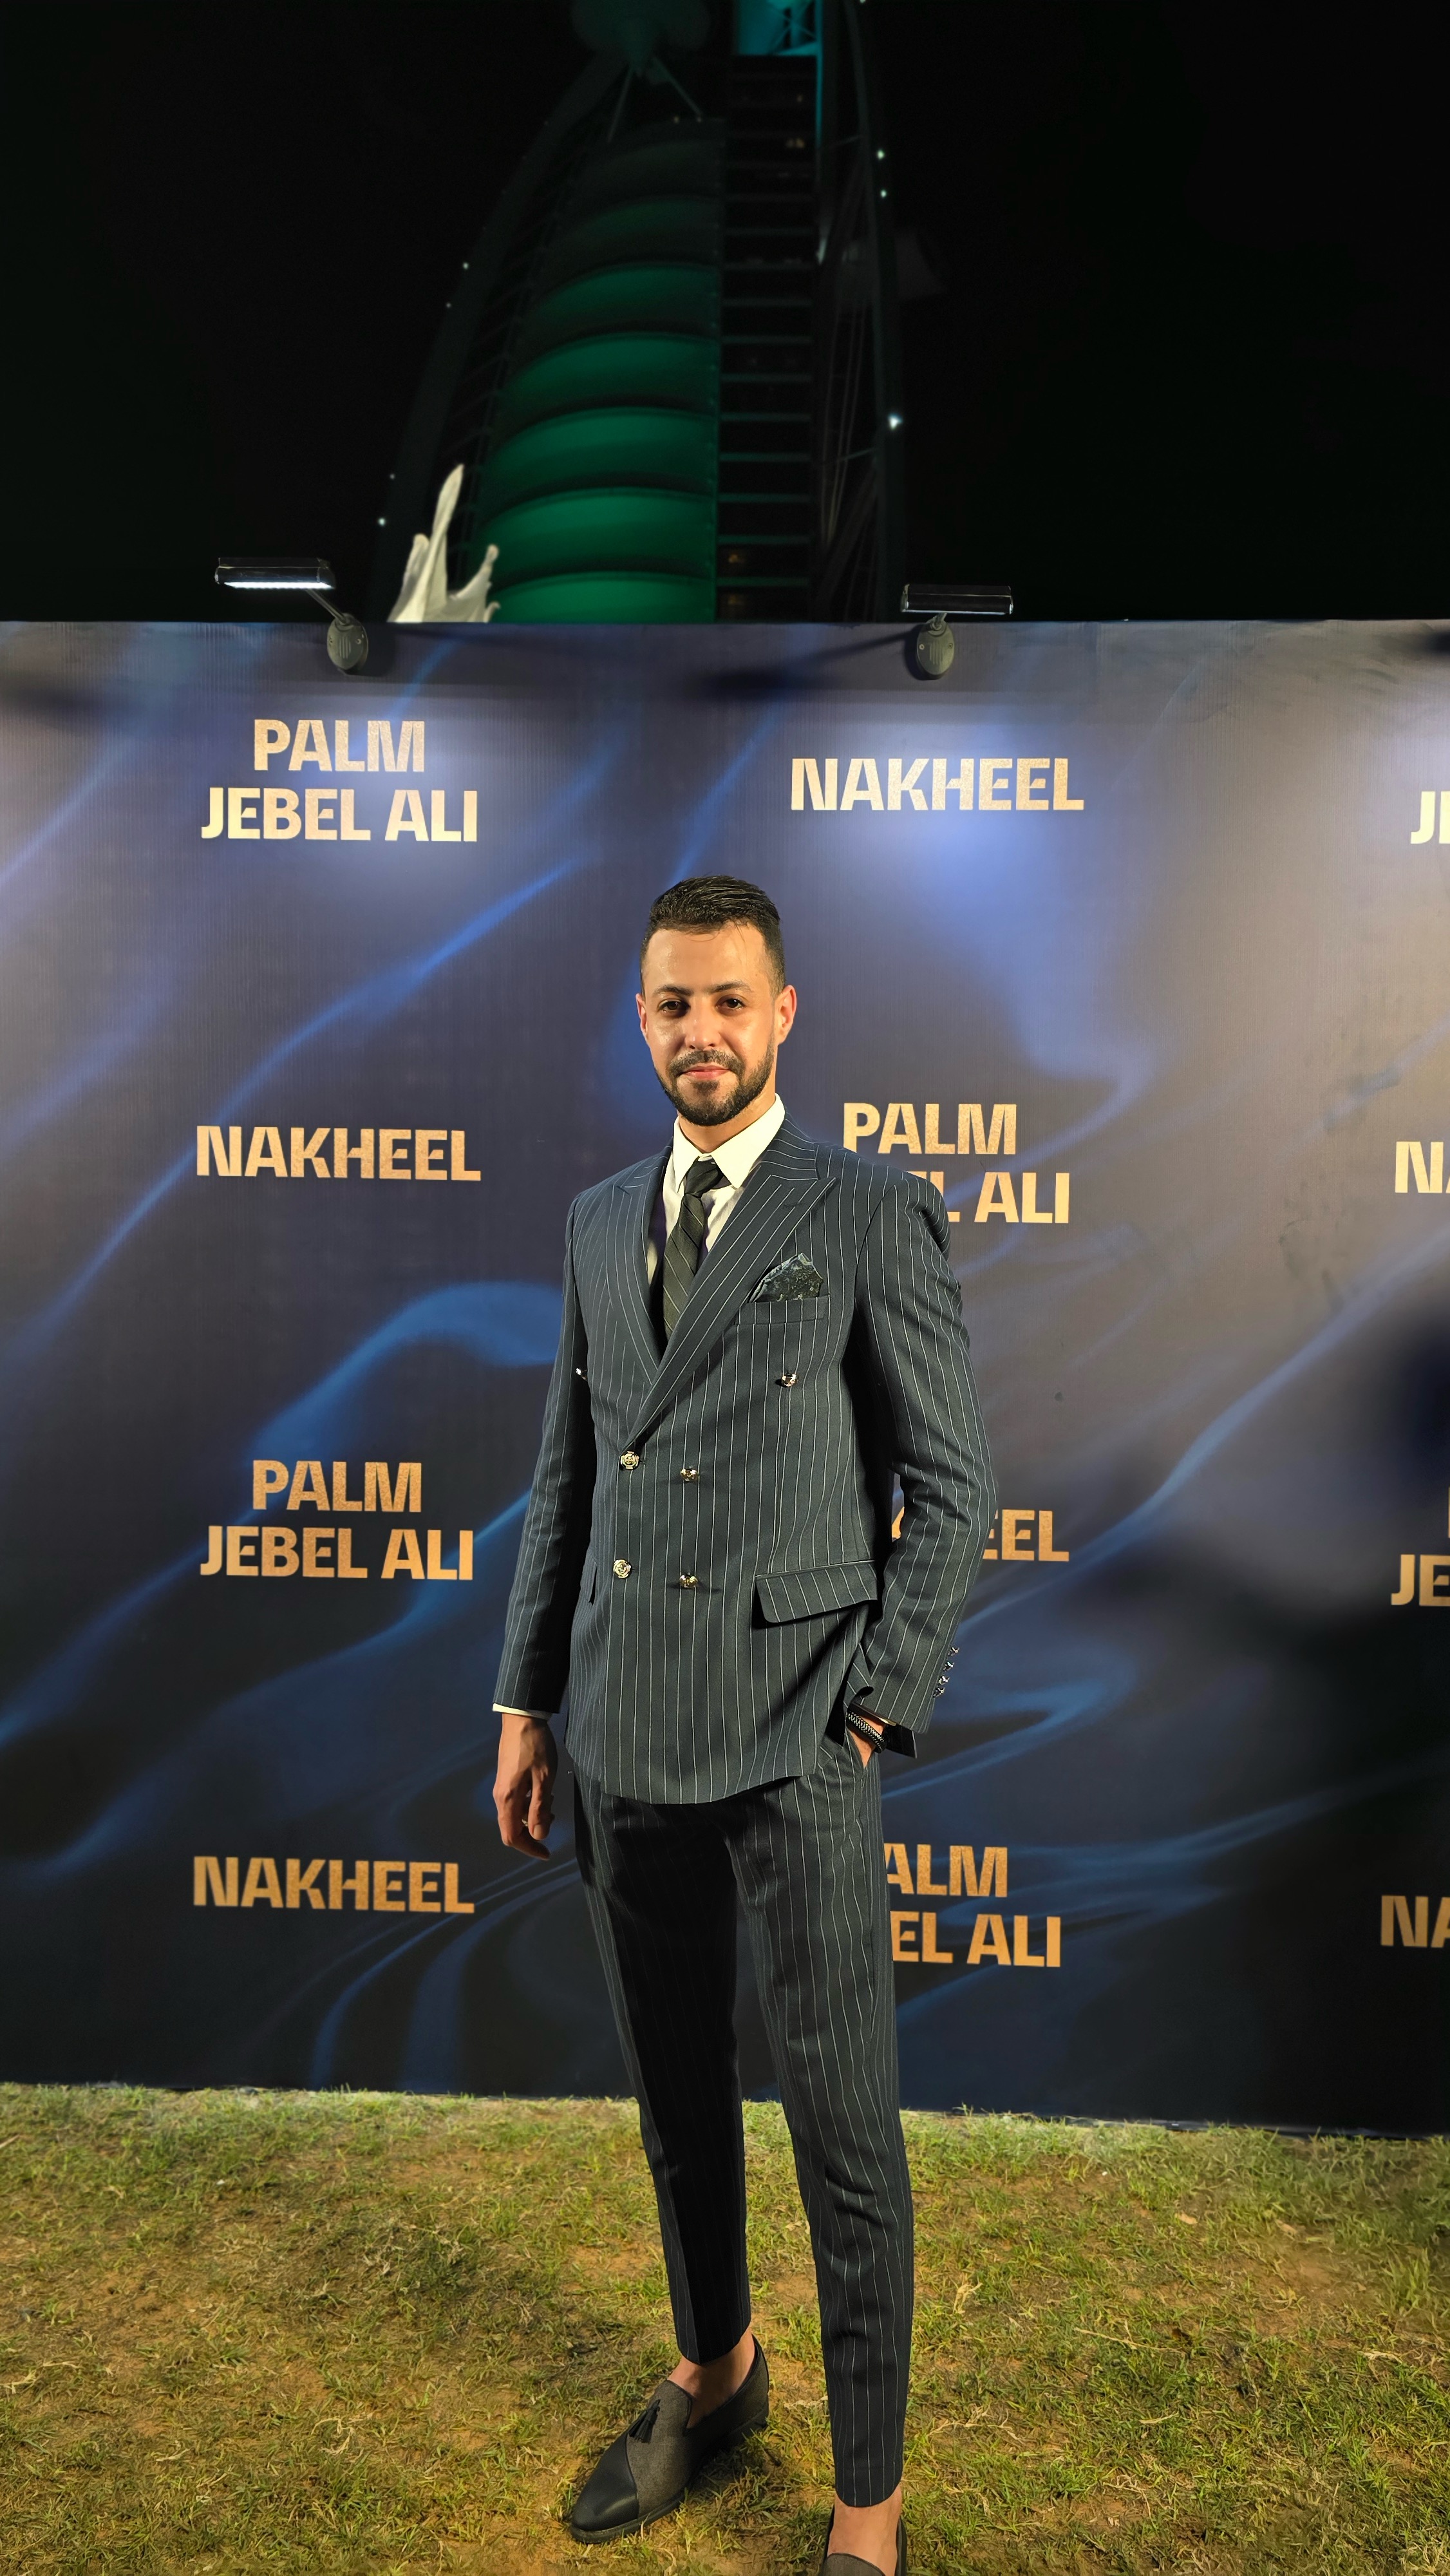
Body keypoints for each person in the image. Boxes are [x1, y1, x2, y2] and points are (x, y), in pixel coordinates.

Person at [493, 875, 994, 2575]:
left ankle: (867, 2505)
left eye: (727, 1001)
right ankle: (715, 2372)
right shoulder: (594, 1222)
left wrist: (876, 1703)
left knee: (844, 2139)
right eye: (670, 1004)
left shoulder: (865, 1210)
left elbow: (954, 1481)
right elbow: (566, 1478)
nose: (698, 1031)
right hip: (624, 1726)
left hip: (795, 1737)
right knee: (675, 2099)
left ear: (784, 1015)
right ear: (641, 1020)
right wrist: (528, 1697)